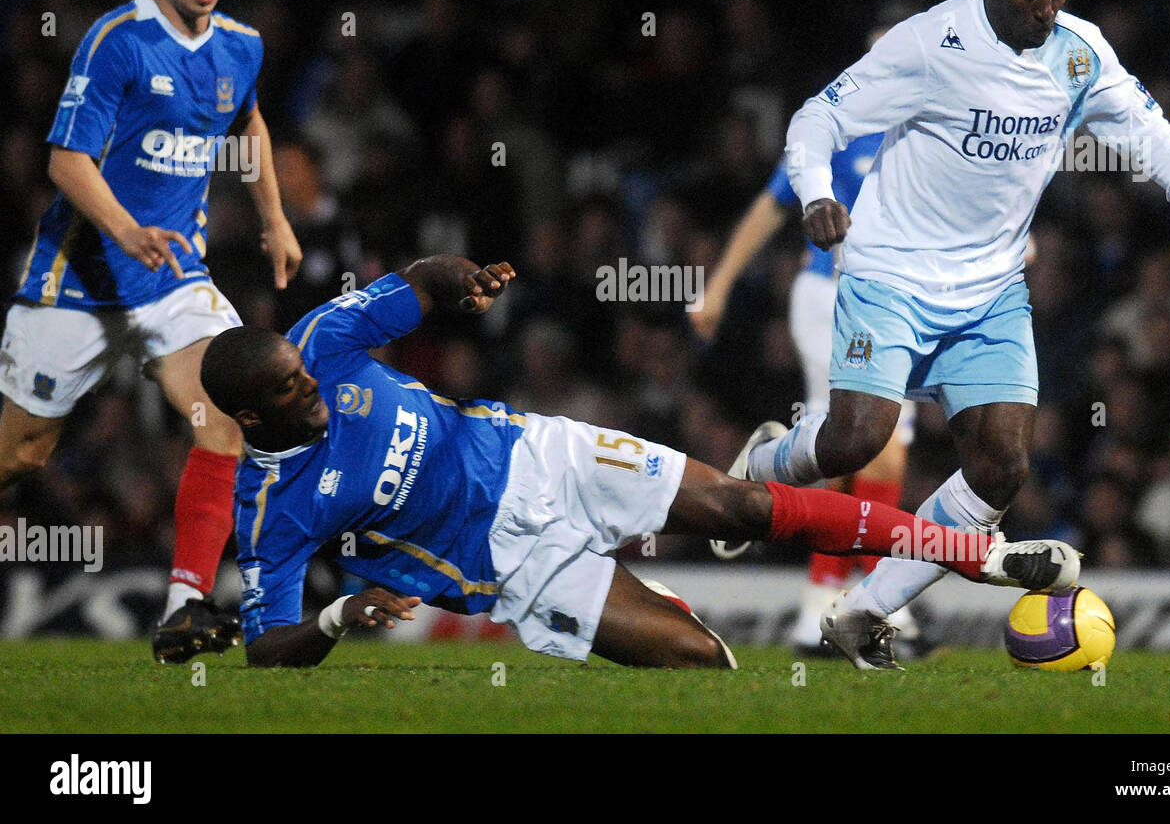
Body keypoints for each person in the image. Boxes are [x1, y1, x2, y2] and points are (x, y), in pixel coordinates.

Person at [734, 0, 1170, 670]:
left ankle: (864, 610)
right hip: (890, 273)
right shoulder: (931, 43)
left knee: (1001, 466)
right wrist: (813, 194)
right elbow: (819, 117)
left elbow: (1146, 127)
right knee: (856, 439)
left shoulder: (1079, 51)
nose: (1047, 8)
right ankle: (766, 463)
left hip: (992, 289)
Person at [199, 255, 1081, 669]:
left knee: (740, 505)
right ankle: (663, 602)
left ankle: (982, 554)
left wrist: (455, 278)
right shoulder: (272, 507)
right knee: (703, 665)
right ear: (250, 416)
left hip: (539, 453)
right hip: (507, 565)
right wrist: (338, 615)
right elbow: (264, 648)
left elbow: (418, 283)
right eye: (290, 390)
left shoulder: (320, 338)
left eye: (302, 370)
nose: (310, 384)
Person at [0, 0, 303, 663]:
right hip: (82, 278)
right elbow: (65, 161)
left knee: (226, 414)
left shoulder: (241, 46)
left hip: (174, 277)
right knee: (21, 455)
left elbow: (251, 124)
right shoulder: (118, 42)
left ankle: (184, 607)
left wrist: (274, 217)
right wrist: (127, 230)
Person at [690, 121, 926, 657]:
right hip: (833, 294)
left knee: (851, 458)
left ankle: (819, 613)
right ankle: (887, 610)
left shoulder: (937, 125)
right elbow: (773, 204)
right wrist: (720, 285)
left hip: (902, 301)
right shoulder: (838, 125)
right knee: (875, 447)